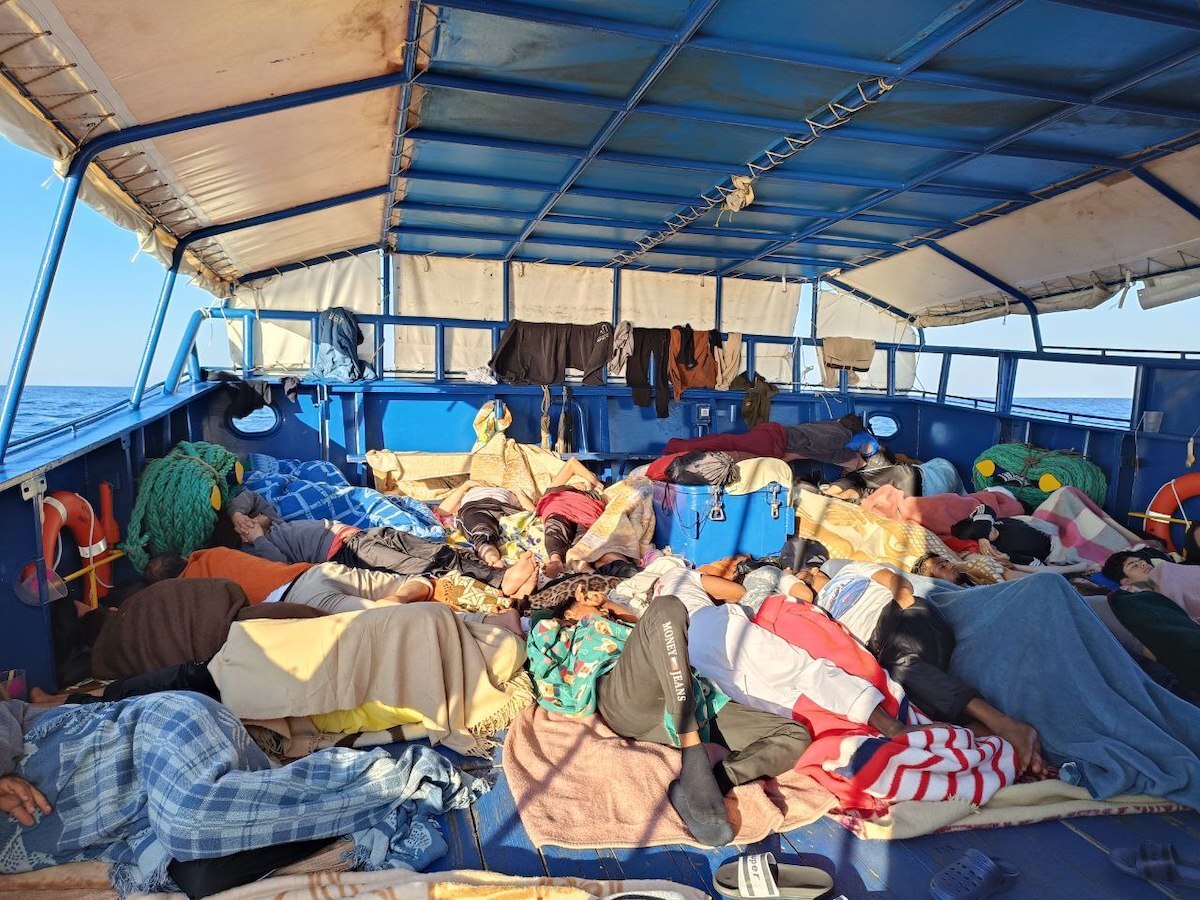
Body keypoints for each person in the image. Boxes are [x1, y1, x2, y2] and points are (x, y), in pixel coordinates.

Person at [0, 686, 484, 897]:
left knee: (191, 823)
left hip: (154, 731)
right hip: (149, 814)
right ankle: (354, 799)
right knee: (200, 874)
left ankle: (402, 774)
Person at [527, 583, 812, 848]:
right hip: (627, 697)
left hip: (692, 699)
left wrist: (620, 612)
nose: (606, 607)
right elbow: (542, 652)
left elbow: (660, 635)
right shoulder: (559, 629)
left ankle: (709, 784)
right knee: (667, 605)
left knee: (794, 735)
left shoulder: (631, 625)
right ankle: (691, 747)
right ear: (573, 602)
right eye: (598, 603)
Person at [799, 559, 1044, 775]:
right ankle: (1000, 739)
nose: (808, 577)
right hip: (880, 652)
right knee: (899, 697)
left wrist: (903, 597)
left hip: (900, 616)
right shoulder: (815, 610)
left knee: (902, 668)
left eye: (810, 573)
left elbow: (895, 580)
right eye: (802, 579)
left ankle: (1005, 725)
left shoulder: (850, 570)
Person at [228, 503, 538, 599]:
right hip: (346, 553)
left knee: (439, 549)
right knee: (425, 563)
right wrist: (256, 537)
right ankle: (501, 582)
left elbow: (252, 497)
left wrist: (244, 516)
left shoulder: (273, 525)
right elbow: (282, 568)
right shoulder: (255, 551)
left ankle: (499, 574)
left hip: (361, 534)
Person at [1105, 550, 1200, 621]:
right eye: (1134, 566)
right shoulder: (1137, 598)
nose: (1142, 564)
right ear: (1125, 581)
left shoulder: (1166, 569)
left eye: (1141, 561)